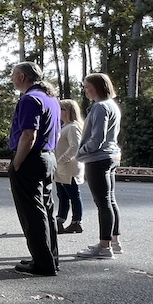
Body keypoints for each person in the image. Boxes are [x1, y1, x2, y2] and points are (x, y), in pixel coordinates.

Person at [8, 62, 60, 276]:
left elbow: (29, 134)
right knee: (46, 209)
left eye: (13, 75)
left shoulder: (30, 99)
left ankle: (42, 263)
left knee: (32, 212)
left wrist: (17, 163)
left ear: (21, 76)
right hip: (48, 158)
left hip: (31, 159)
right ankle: (49, 257)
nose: (12, 79)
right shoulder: (51, 98)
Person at [76, 72, 124, 259]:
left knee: (103, 202)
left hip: (98, 158)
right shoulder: (112, 105)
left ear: (97, 87)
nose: (85, 90)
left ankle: (104, 247)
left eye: (87, 87)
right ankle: (114, 241)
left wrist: (80, 152)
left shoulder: (99, 107)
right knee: (110, 201)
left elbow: (97, 138)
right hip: (111, 156)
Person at [54, 99, 85, 235]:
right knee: (62, 195)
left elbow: (75, 146)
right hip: (61, 169)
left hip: (69, 168)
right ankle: (60, 221)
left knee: (74, 195)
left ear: (67, 111)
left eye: (60, 109)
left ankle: (76, 222)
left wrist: (62, 160)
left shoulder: (73, 127)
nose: (58, 112)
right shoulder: (64, 126)